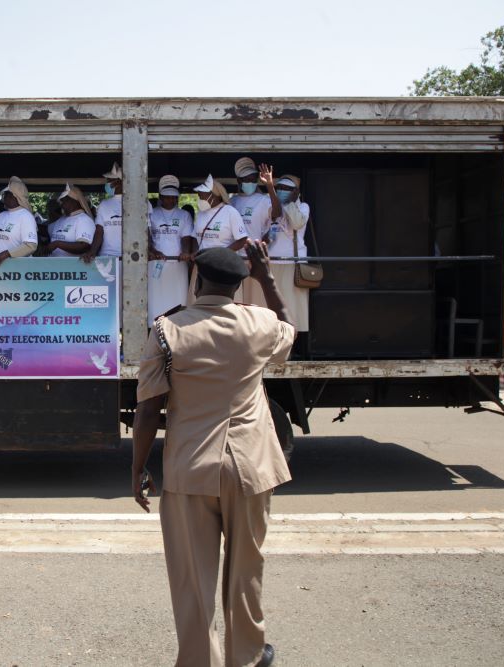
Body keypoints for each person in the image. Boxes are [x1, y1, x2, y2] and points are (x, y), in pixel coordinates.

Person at [132, 242, 294, 667]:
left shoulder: (168, 330)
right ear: (241, 283)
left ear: (197, 279)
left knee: (192, 581)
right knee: (246, 570)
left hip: (189, 469)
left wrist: (138, 470)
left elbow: (148, 409)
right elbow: (289, 329)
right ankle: (247, 656)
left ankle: (199, 660)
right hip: (252, 467)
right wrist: (267, 279)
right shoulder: (260, 324)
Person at [264, 174, 311, 348]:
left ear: (296, 192)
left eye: (287, 189)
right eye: (280, 188)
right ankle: (275, 344)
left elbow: (297, 223)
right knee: (273, 307)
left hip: (292, 263)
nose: (282, 191)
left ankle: (291, 346)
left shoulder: (302, 206)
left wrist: (291, 202)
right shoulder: (273, 207)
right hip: (272, 262)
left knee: (292, 307)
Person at [186, 175, 247, 306]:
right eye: (199, 195)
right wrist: (195, 253)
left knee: (225, 304)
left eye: (202, 195)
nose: (200, 198)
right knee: (200, 303)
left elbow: (242, 239)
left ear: (215, 195)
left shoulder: (230, 212)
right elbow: (197, 239)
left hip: (225, 266)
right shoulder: (200, 214)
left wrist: (220, 255)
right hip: (202, 265)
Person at [231, 158, 282, 306]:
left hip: (255, 259)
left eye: (253, 179)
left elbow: (277, 213)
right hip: (235, 260)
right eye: (246, 179)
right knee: (237, 302)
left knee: (256, 303)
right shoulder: (232, 201)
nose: (250, 182)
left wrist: (270, 185)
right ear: (239, 181)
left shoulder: (264, 200)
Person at [147, 175, 194, 323]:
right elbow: (146, 235)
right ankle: (154, 331)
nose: (171, 200)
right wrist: (152, 250)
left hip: (178, 265)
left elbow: (186, 237)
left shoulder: (184, 215)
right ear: (160, 197)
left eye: (174, 197)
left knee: (178, 300)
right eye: (167, 197)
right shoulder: (152, 213)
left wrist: (185, 252)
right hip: (156, 264)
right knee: (155, 302)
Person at [0, 176, 38, 267]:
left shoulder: (26, 216)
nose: (4, 197)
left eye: (7, 194)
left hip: (16, 270)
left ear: (16, 196)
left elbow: (31, 245)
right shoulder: (1, 215)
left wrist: (4, 255)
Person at [84, 161, 124, 263]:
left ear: (119, 182)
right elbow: (99, 231)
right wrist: (92, 251)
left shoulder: (139, 204)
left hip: (131, 258)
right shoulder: (104, 204)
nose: (107, 183)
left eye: (110, 180)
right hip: (107, 257)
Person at [47, 183, 95, 258]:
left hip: (71, 268)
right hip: (54, 266)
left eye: (63, 201)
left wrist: (57, 244)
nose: (61, 205)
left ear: (73, 201)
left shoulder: (84, 220)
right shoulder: (62, 219)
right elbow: (47, 229)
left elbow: (84, 246)